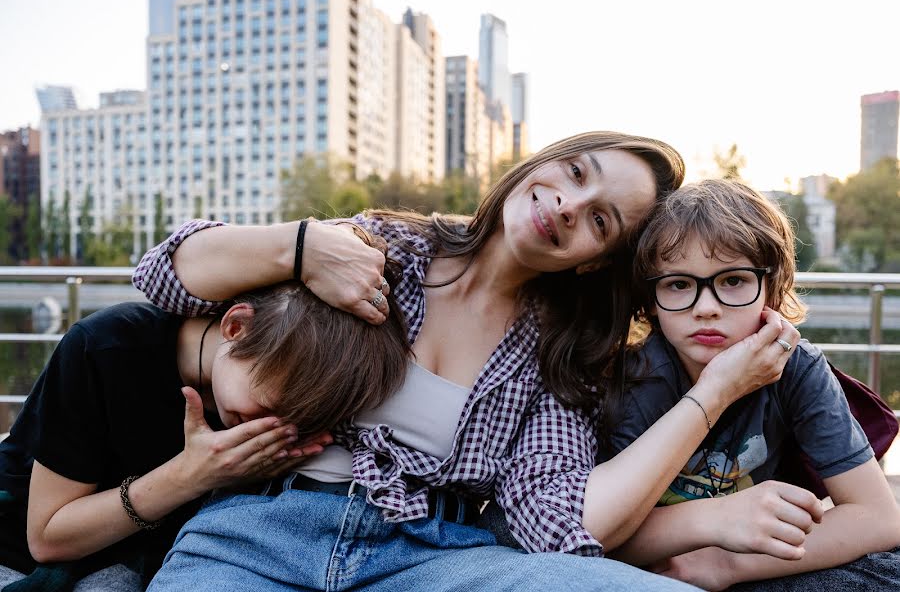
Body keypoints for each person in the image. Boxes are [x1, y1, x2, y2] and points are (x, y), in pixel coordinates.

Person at [134, 131, 799, 591]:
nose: (568, 207)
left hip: (428, 559)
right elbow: (166, 275)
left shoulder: (557, 356)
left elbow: (559, 522)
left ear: (596, 258)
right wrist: (303, 246)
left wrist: (710, 394)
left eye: (601, 221)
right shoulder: (386, 247)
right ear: (547, 160)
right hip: (260, 533)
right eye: (575, 173)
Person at [0, 242, 409, 591]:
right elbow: (45, 536)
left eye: (296, 420)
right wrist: (192, 475)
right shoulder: (105, 348)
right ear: (236, 327)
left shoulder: (274, 418)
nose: (266, 427)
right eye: (269, 405)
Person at [602, 179, 900, 591]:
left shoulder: (797, 368)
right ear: (650, 299)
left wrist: (727, 566)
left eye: (733, 281)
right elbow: (600, 533)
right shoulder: (631, 379)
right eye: (678, 284)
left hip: (745, 560)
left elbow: (879, 517)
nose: (706, 308)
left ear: (771, 290)